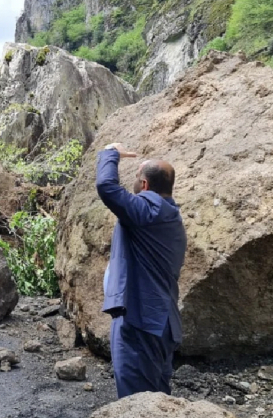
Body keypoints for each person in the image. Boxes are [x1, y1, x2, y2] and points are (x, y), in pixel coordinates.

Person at [95, 142, 187, 399]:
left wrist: (110, 153)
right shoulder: (168, 215)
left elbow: (106, 187)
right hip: (161, 322)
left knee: (137, 402)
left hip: (140, 322)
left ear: (144, 186)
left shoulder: (148, 211)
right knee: (158, 399)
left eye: (136, 178)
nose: (133, 184)